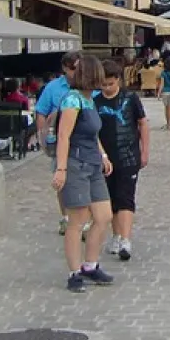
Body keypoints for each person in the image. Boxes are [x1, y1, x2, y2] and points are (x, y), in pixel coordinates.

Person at [52, 55, 116, 293]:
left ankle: (90, 264)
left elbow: (93, 134)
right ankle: (74, 272)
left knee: (103, 215)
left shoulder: (89, 100)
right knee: (77, 220)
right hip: (76, 164)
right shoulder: (72, 100)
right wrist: (61, 169)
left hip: (92, 163)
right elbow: (64, 136)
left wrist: (103, 155)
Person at [95, 61, 149, 262]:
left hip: (128, 155)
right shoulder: (96, 102)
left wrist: (145, 151)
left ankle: (126, 239)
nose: (107, 88)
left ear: (117, 80)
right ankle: (116, 235)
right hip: (105, 159)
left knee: (126, 196)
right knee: (111, 199)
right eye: (103, 84)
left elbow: (142, 123)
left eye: (110, 84)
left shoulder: (131, 98)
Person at [36, 52, 83, 235]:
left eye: (78, 68)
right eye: (72, 68)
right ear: (64, 68)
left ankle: (84, 218)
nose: (75, 72)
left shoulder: (87, 85)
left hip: (82, 140)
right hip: (58, 140)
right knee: (61, 180)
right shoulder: (53, 87)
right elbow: (41, 111)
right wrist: (43, 137)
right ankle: (66, 217)